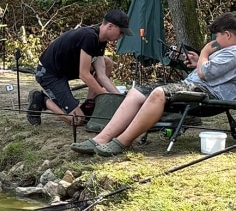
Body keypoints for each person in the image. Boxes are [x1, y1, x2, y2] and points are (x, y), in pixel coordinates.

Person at [71, 12, 236, 156]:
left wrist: (205, 52)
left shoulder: (233, 52)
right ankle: (101, 138)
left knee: (159, 93)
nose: (215, 41)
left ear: (228, 35)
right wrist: (197, 61)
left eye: (217, 36)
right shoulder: (227, 51)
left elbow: (205, 73)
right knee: (136, 92)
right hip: (194, 86)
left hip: (207, 93)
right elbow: (209, 70)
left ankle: (122, 142)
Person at [26, 9, 132, 125]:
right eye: (121, 32)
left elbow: (102, 75)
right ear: (110, 26)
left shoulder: (101, 40)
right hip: (49, 74)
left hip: (65, 68)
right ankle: (41, 99)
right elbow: (84, 74)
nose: (121, 36)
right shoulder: (89, 37)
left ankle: (89, 104)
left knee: (107, 63)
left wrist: (119, 97)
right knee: (77, 119)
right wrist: (105, 96)